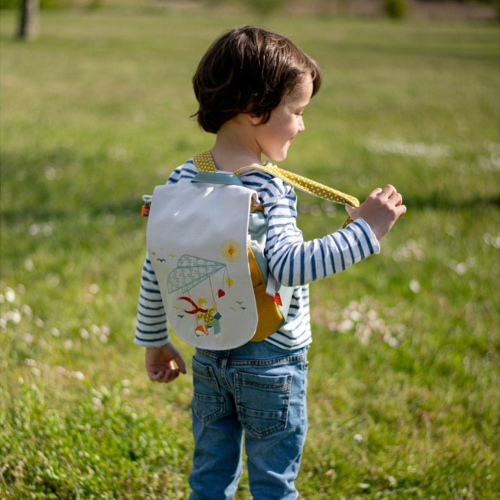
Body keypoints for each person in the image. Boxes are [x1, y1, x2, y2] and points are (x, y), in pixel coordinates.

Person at [134, 25, 406, 500]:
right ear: (257, 108)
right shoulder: (268, 187)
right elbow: (290, 265)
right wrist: (366, 231)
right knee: (274, 486)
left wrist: (155, 340)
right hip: (271, 363)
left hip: (210, 356)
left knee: (209, 481)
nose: (302, 125)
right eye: (296, 112)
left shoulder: (182, 177)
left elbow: (159, 266)